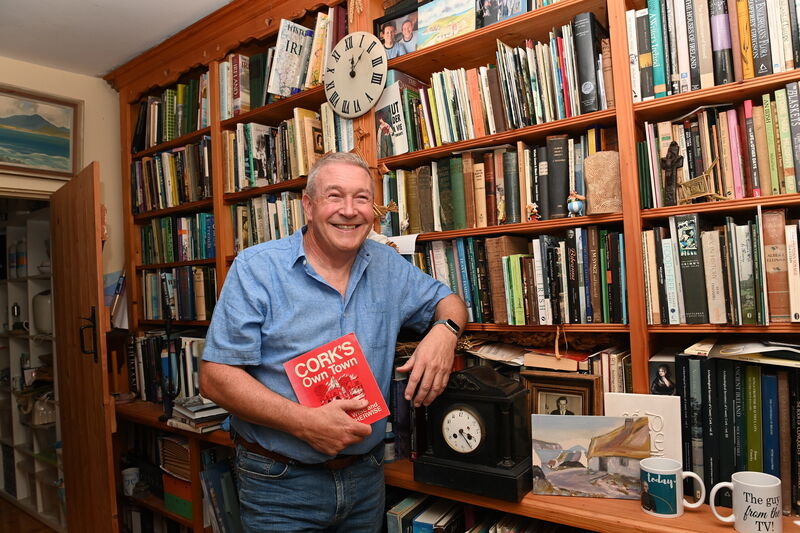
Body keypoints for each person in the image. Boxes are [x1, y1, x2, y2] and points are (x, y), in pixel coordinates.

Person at [200, 152, 467, 532]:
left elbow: (451, 302)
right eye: (334, 196)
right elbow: (214, 377)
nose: (349, 210)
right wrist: (302, 422)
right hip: (278, 482)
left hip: (366, 477)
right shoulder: (256, 268)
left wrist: (445, 332)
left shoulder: (387, 265)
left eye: (361, 198)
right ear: (308, 205)